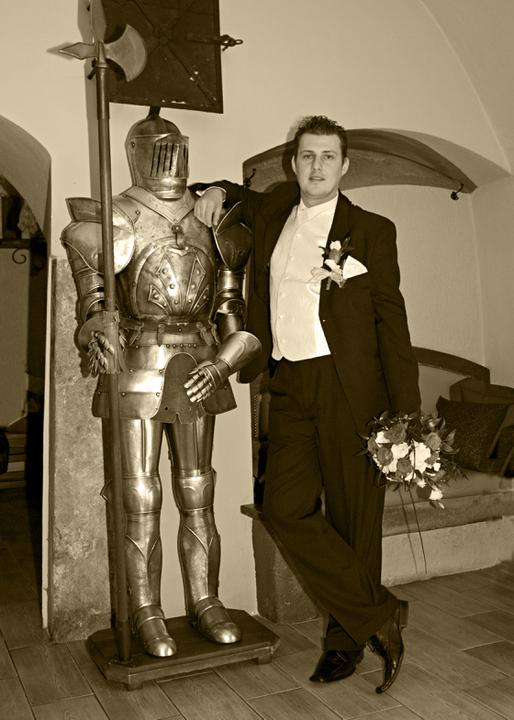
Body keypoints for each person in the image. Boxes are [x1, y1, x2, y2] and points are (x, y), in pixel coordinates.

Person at [193, 115, 421, 692]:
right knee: (282, 507)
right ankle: (379, 613)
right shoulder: (274, 210)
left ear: (345, 166)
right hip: (290, 382)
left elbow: (392, 324)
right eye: (307, 156)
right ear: (293, 164)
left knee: (353, 520)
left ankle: (345, 644)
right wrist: (214, 188)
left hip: (353, 391)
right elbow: (235, 195)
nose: (317, 166)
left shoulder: (372, 229)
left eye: (328, 156)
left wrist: (407, 417)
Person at [61, 109, 260, 657]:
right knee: (140, 495)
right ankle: (146, 611)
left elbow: (232, 313)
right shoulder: (109, 219)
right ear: (135, 154)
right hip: (138, 362)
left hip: (198, 362)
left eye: (176, 145)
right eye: (158, 146)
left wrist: (222, 364)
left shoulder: (214, 219)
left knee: (198, 490)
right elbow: (93, 308)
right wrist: (99, 329)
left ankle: (205, 600)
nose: (169, 156)